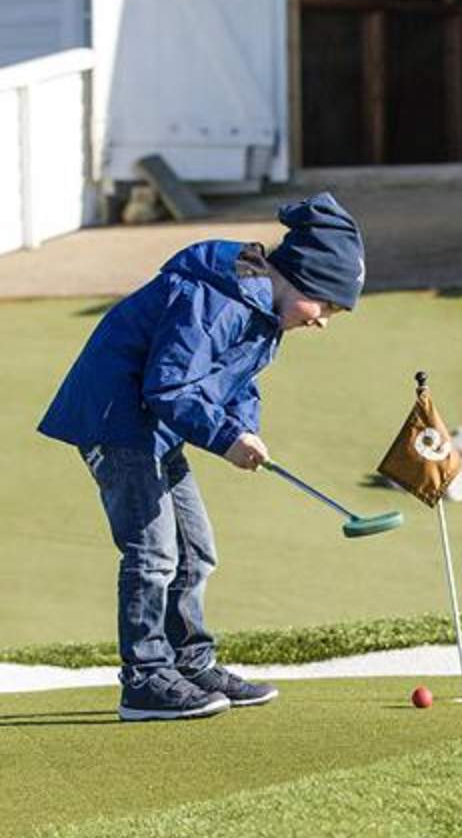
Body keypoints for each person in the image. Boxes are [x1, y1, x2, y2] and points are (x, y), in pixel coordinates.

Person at [37, 193, 366, 721]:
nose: (323, 320)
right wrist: (224, 439)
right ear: (300, 276)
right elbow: (168, 385)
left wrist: (243, 430)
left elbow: (234, 383)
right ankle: (144, 681)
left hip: (154, 429)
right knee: (153, 555)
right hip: (115, 421)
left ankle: (189, 663)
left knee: (197, 551)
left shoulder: (261, 313)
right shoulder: (217, 300)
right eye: (325, 305)